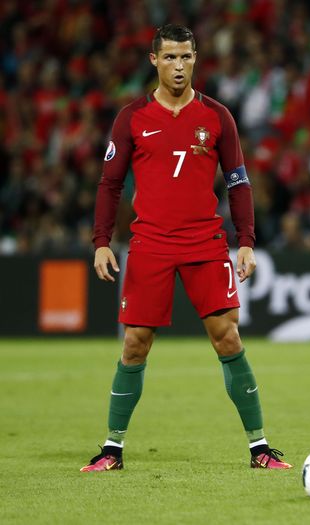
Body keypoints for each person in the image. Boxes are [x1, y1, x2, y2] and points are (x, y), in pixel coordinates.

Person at [82, 24, 291, 472]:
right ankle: (112, 450)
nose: (179, 66)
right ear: (153, 60)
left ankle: (260, 449)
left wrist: (247, 242)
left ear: (196, 58)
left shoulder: (217, 117)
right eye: (171, 57)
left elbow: (238, 183)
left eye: (187, 57)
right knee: (135, 345)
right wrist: (101, 242)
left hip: (204, 242)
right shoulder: (131, 118)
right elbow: (109, 184)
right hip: (151, 243)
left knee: (228, 337)